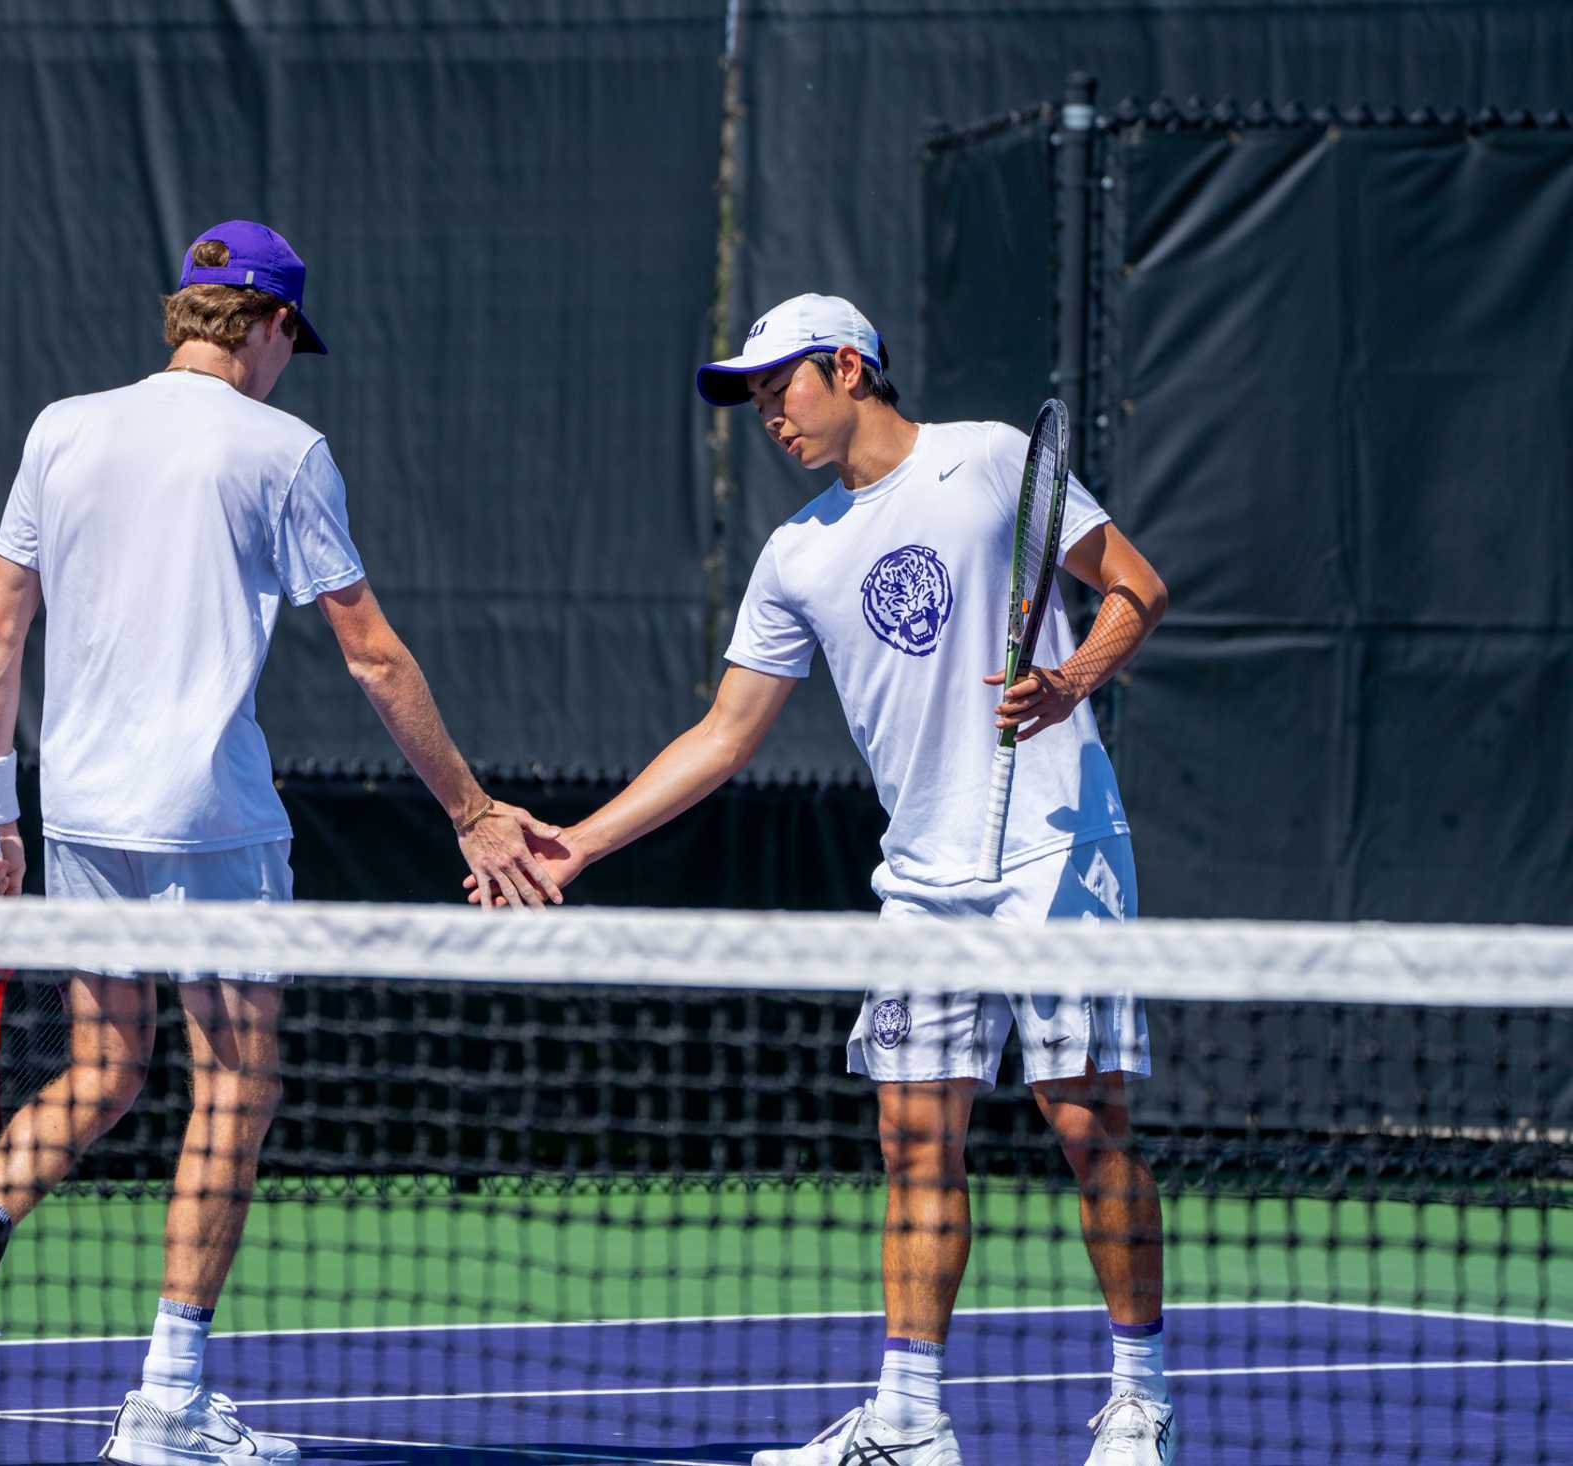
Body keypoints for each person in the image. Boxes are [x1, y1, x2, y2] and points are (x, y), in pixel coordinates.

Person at [0, 220, 563, 1461]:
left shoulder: (61, 426)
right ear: (275, 325)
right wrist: (471, 808)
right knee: (235, 1082)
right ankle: (170, 1397)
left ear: (188, 309)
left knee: (104, 1067)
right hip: (209, 819)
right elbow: (370, 651)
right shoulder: (283, 448)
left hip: (81, 812)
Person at [470, 294, 1175, 1465]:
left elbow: (1135, 587)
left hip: (1060, 847)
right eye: (751, 398)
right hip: (922, 881)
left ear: (847, 366)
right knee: (912, 1139)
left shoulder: (992, 459)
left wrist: (1070, 679)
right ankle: (908, 1422)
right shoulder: (795, 553)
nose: (766, 414)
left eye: (776, 386)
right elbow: (722, 735)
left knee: (1084, 1120)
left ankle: (1139, 1397)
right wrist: (579, 842)